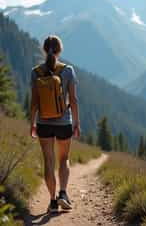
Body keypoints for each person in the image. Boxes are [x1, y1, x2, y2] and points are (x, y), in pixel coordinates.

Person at [30, 35, 81, 213]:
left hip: (43, 122)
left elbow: (34, 102)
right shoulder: (68, 71)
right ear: (60, 50)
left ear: (44, 50)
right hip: (63, 122)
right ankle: (63, 194)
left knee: (48, 160)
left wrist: (32, 124)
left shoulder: (35, 72)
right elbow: (73, 100)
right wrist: (76, 123)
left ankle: (52, 202)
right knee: (64, 158)